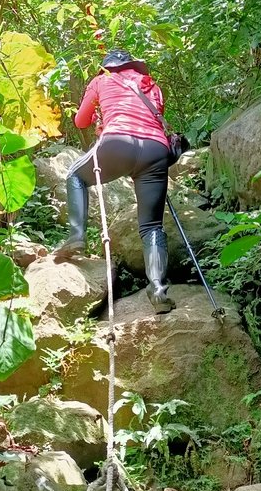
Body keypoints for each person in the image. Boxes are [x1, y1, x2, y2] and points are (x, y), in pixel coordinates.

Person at [53, 49, 174, 314]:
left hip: (118, 142)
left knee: (75, 175)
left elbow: (80, 121)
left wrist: (100, 118)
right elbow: (153, 116)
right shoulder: (150, 84)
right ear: (132, 64)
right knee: (152, 225)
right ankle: (158, 289)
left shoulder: (100, 80)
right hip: (155, 149)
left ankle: (77, 236)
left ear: (108, 66)